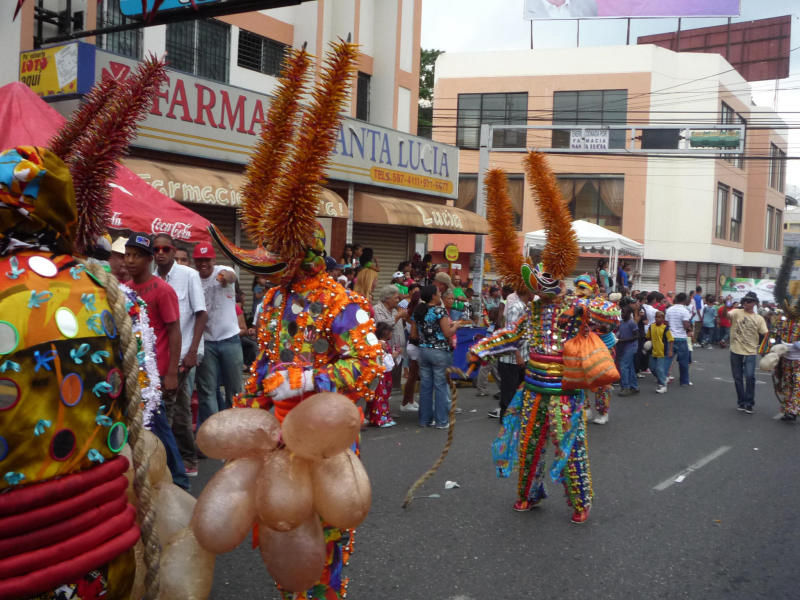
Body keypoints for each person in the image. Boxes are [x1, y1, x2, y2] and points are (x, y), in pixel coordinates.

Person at [124, 232, 190, 490]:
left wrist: (172, 372)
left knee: (161, 427)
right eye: (127, 255)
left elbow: (174, 330)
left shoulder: (163, 290)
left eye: (136, 256)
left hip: (158, 375)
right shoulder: (126, 290)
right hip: (134, 373)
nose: (130, 260)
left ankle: (181, 482)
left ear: (149, 259)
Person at [153, 233, 207, 477]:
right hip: (160, 357)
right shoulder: (151, 279)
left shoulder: (189, 275)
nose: (161, 253)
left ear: (173, 251)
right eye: (157, 250)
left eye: (166, 249)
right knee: (182, 408)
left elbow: (201, 314)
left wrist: (193, 351)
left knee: (166, 408)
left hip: (185, 354)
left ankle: (170, 466)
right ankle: (188, 459)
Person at [193, 241, 243, 425]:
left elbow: (231, 277)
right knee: (207, 391)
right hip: (206, 343)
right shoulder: (193, 278)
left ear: (213, 259)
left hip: (230, 339)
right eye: (199, 260)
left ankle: (235, 429)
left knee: (235, 390)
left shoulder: (222, 269)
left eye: (206, 259)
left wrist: (223, 277)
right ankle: (214, 430)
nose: (203, 264)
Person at [415, 285, 462, 428]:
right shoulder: (439, 311)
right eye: (438, 292)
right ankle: (441, 421)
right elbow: (447, 333)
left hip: (423, 351)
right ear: (433, 296)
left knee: (426, 386)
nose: (440, 294)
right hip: (439, 351)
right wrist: (456, 326)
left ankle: (425, 419)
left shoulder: (419, 310)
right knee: (441, 386)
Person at [488, 286, 531, 419]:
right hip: (511, 359)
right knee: (509, 393)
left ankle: (513, 421)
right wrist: (518, 354)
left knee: (519, 392)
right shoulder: (515, 307)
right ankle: (506, 422)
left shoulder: (525, 307)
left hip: (521, 357)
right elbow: (511, 334)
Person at [728, 291, 768, 414]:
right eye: (745, 300)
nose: (747, 303)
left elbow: (765, 333)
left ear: (755, 303)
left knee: (750, 377)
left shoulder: (759, 318)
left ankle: (749, 403)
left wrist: (764, 349)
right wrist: (728, 303)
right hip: (735, 350)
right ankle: (741, 402)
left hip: (751, 351)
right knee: (738, 377)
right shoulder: (736, 312)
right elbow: (726, 314)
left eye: (750, 301)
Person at [366, 322, 398, 427]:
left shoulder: (380, 344)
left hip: (382, 374)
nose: (391, 334)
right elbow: (387, 363)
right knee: (380, 396)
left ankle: (381, 417)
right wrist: (394, 355)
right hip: (382, 375)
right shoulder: (382, 346)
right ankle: (380, 418)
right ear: (386, 333)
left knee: (382, 396)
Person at [665, 292, 693, 386]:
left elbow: (666, 324)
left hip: (670, 338)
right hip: (681, 338)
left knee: (668, 360)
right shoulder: (685, 311)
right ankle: (684, 381)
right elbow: (685, 325)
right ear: (684, 300)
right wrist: (689, 327)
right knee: (683, 362)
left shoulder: (669, 309)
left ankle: (663, 378)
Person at [646, 310, 674, 393]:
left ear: (663, 319)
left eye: (659, 317)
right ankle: (662, 378)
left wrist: (670, 351)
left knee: (659, 369)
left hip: (662, 351)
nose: (657, 319)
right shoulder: (651, 326)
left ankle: (662, 385)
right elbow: (648, 337)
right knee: (652, 368)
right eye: (656, 317)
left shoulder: (665, 328)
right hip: (653, 351)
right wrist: (647, 345)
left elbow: (671, 340)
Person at [616, 304, 640, 396]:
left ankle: (625, 387)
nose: (622, 314)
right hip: (623, 347)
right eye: (622, 312)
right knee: (630, 367)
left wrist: (622, 340)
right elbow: (619, 332)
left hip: (630, 347)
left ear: (629, 313)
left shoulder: (631, 323)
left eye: (624, 312)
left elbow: (636, 336)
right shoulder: (621, 323)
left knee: (624, 366)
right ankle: (634, 386)